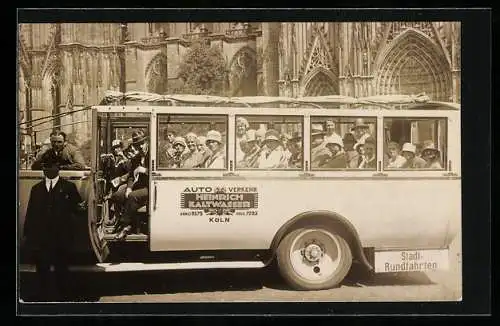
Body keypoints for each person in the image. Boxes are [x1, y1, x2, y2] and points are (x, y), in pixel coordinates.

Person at [23, 160, 83, 301]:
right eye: (45, 167)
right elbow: (31, 212)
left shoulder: (69, 187)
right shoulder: (36, 189)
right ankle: (43, 295)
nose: (48, 169)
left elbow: (77, 209)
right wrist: (28, 234)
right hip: (42, 237)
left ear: (58, 168)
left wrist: (81, 209)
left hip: (61, 236)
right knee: (42, 267)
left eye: (51, 166)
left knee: (61, 266)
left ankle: (64, 296)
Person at [114, 130, 150, 240]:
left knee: (133, 196)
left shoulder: (154, 155)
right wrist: (129, 188)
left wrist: (145, 170)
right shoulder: (137, 158)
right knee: (118, 194)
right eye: (137, 145)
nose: (140, 147)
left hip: (152, 187)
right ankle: (120, 221)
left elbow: (160, 172)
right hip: (140, 185)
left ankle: (126, 226)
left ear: (147, 142)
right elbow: (131, 176)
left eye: (142, 144)